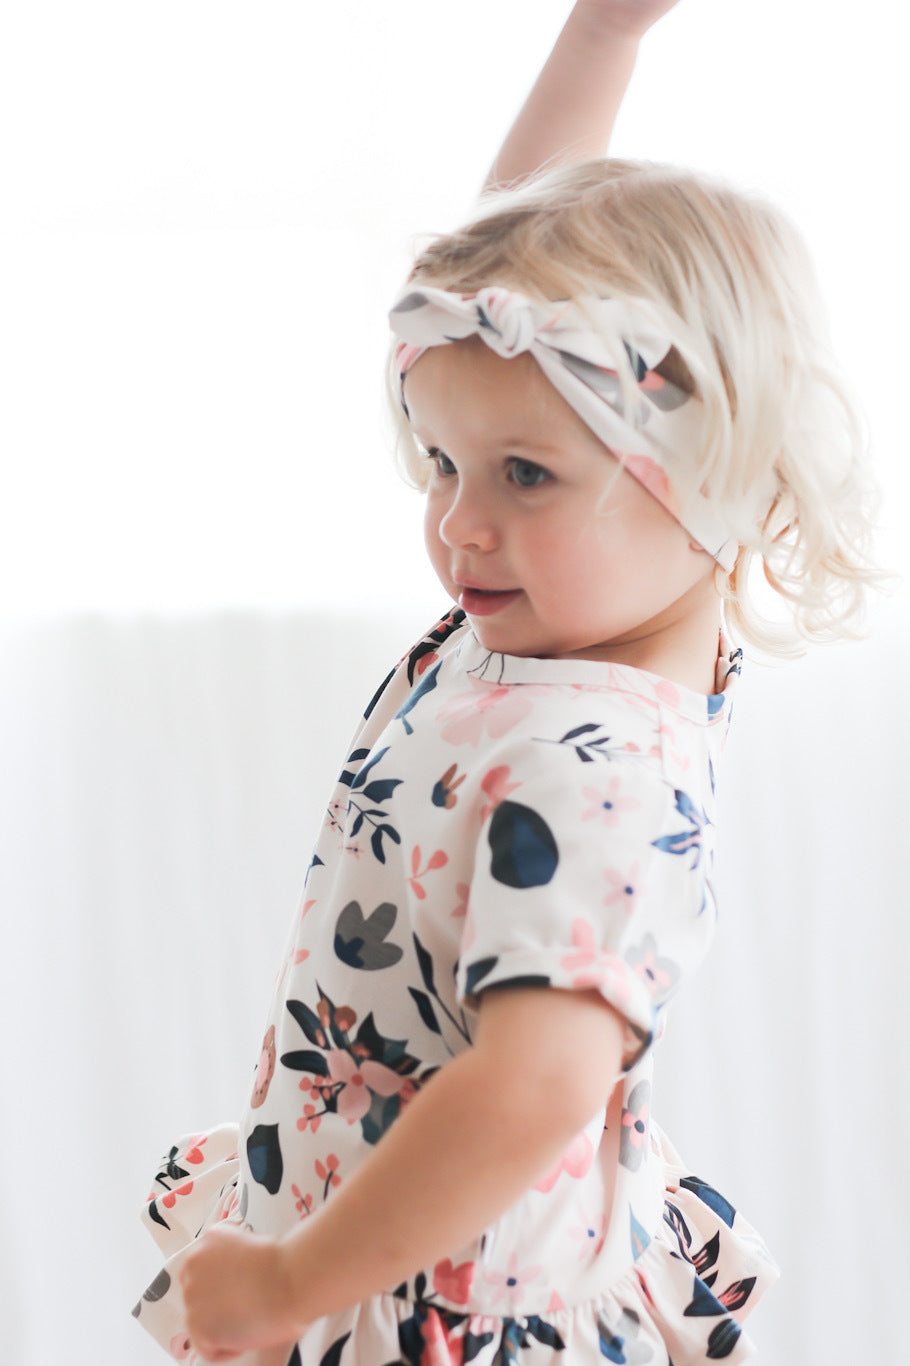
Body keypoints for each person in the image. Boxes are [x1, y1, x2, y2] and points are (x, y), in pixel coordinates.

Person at [133, 3, 886, 1363]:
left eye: (521, 473)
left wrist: (296, 1278)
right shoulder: (568, 617)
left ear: (709, 470)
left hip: (435, 1293)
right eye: (441, 459)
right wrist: (602, 40)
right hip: (387, 1222)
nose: (455, 523)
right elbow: (514, 297)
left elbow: (539, 1082)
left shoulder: (600, 763)